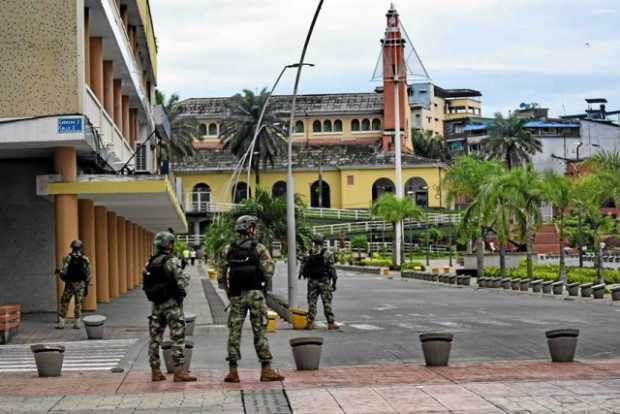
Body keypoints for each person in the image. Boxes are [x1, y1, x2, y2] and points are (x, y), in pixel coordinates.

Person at [218, 215, 284, 383]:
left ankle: (233, 371)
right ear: (250, 228)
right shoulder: (259, 247)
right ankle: (266, 370)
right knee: (259, 330)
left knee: (234, 331)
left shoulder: (228, 248)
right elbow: (269, 270)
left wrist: (229, 293)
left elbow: (221, 275)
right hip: (255, 294)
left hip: (236, 295)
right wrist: (264, 288)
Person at [143, 231, 196, 383]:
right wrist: (186, 277)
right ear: (169, 244)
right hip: (172, 305)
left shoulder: (150, 261)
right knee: (177, 337)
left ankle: (155, 371)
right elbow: (181, 282)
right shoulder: (172, 260)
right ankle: (179, 371)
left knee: (155, 339)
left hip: (156, 305)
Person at [299, 234, 339, 330]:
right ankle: (330, 323)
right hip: (324, 281)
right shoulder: (328, 253)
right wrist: (334, 282)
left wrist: (302, 275)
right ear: (322, 242)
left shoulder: (309, 253)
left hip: (312, 281)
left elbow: (303, 267)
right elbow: (332, 270)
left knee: (312, 302)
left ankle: (309, 322)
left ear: (314, 241)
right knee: (327, 302)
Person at [55, 240, 91, 329]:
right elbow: (88, 273)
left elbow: (64, 272)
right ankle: (77, 323)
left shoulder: (67, 258)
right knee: (78, 303)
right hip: (81, 284)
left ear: (72, 247)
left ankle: (62, 323)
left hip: (70, 284)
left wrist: (59, 273)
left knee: (64, 301)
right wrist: (86, 284)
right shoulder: (85, 258)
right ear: (81, 247)